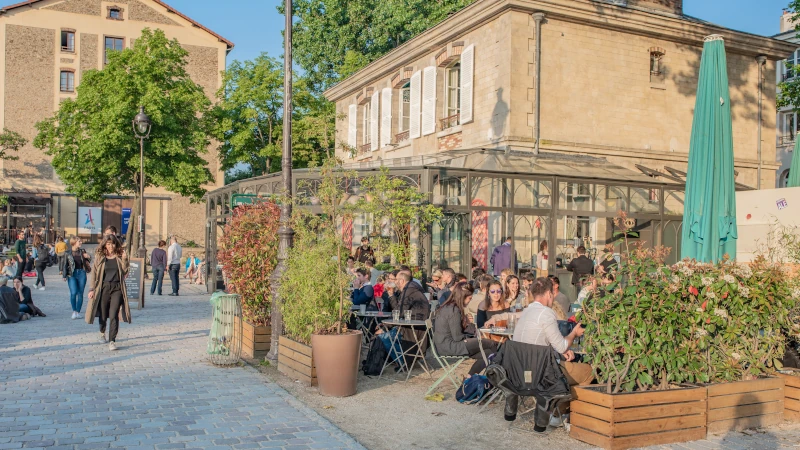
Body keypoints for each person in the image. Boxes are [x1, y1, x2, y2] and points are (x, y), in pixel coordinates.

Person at [512, 277, 584, 362]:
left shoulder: (526, 310)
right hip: (538, 367)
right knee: (586, 372)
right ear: (549, 294)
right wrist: (574, 333)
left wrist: (558, 352)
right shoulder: (546, 312)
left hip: (519, 364)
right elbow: (562, 347)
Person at [433, 282, 498, 374]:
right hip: (450, 346)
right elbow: (457, 337)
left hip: (445, 344)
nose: (470, 301)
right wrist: (471, 336)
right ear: (462, 297)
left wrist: (467, 325)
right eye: (469, 298)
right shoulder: (453, 310)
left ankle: (469, 378)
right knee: (492, 344)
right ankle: (496, 375)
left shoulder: (450, 307)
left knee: (488, 353)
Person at [86, 235, 130, 351]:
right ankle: (102, 331)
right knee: (103, 314)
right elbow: (94, 274)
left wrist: (125, 259)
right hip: (104, 287)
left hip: (117, 288)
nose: (111, 246)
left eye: (113, 244)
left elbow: (125, 272)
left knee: (114, 314)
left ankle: (112, 341)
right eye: (108, 244)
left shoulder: (120, 256)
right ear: (105, 244)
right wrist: (92, 289)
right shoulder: (100, 257)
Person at [63, 237, 90, 319]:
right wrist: (64, 275)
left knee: (80, 293)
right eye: (79, 241)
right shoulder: (67, 253)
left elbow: (88, 262)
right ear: (74, 242)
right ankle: (74, 310)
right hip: (72, 274)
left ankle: (77, 311)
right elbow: (65, 264)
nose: (81, 242)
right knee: (73, 292)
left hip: (82, 273)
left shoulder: (82, 251)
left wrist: (88, 256)